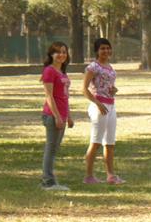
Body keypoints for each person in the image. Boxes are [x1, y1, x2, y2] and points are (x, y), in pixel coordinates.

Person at [82, 38, 125, 185]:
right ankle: (88, 176)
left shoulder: (110, 67)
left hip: (111, 105)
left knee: (110, 143)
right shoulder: (93, 67)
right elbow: (84, 89)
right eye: (102, 49)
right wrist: (97, 103)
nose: (106, 51)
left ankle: (111, 175)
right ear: (97, 51)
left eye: (108, 48)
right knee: (96, 141)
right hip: (99, 107)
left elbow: (107, 86)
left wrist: (113, 91)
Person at [40, 41, 73, 191]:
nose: (61, 55)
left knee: (54, 149)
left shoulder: (62, 72)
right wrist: (57, 117)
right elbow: (49, 96)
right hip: (52, 115)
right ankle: (48, 181)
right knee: (51, 148)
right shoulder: (49, 71)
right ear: (51, 54)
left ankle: (50, 179)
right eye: (58, 52)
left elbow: (65, 97)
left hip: (62, 115)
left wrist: (69, 116)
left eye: (64, 52)